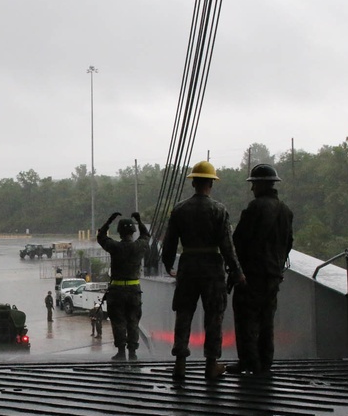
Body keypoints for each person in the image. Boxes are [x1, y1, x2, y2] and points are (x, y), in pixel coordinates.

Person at [161, 161, 243, 381]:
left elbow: (169, 242)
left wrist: (168, 263)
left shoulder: (179, 209)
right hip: (212, 268)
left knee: (184, 313)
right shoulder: (219, 210)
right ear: (211, 184)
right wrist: (236, 270)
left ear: (193, 183)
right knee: (214, 316)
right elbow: (227, 245)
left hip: (187, 265)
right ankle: (211, 365)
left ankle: (180, 364)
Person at [229, 164, 294, 377]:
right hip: (273, 275)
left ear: (260, 185)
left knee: (247, 319)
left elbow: (239, 240)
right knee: (267, 320)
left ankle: (249, 362)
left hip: (252, 275)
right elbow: (288, 242)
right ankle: (265, 363)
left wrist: (235, 270)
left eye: (253, 184)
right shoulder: (285, 211)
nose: (251, 189)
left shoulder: (255, 208)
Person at [97, 211, 150, 361]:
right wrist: (139, 221)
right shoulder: (139, 247)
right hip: (134, 291)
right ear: (133, 232)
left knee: (118, 321)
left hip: (117, 291)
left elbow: (101, 237)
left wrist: (109, 220)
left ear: (119, 233)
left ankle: (121, 352)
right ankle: (132, 353)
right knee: (133, 321)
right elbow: (146, 236)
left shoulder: (115, 247)